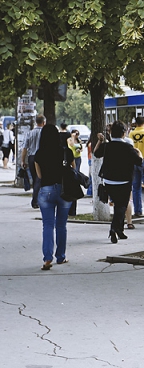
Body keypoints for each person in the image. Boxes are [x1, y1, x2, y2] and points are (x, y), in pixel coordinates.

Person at [93, 121, 142, 243]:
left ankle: (120, 230)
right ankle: (114, 229)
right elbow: (139, 161)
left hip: (109, 181)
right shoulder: (127, 147)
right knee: (121, 206)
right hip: (123, 181)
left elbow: (96, 153)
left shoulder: (107, 146)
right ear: (123, 133)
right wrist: (139, 153)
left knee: (117, 205)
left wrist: (100, 141)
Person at [34, 125, 73, 270]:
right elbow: (72, 170)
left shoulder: (39, 154)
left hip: (46, 191)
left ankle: (47, 258)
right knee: (61, 225)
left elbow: (39, 176)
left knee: (47, 225)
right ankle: (61, 256)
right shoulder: (66, 152)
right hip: (64, 192)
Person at [21, 115, 47, 208]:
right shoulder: (45, 133)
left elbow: (24, 148)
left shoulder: (30, 133)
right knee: (39, 179)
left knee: (35, 178)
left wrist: (23, 160)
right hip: (42, 157)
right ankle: (35, 200)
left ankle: (37, 199)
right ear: (43, 122)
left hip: (31, 157)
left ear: (36, 122)